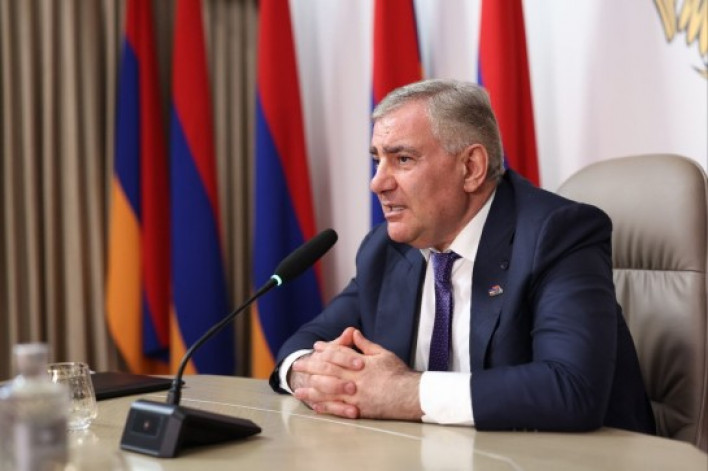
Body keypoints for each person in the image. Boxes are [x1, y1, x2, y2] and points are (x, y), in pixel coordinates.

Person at [268, 79, 655, 434]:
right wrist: (307, 374)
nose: (377, 183)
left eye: (402, 159)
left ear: (471, 168)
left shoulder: (556, 235)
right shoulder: (386, 249)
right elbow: (305, 342)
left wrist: (404, 392)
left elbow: (571, 389)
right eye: (377, 160)